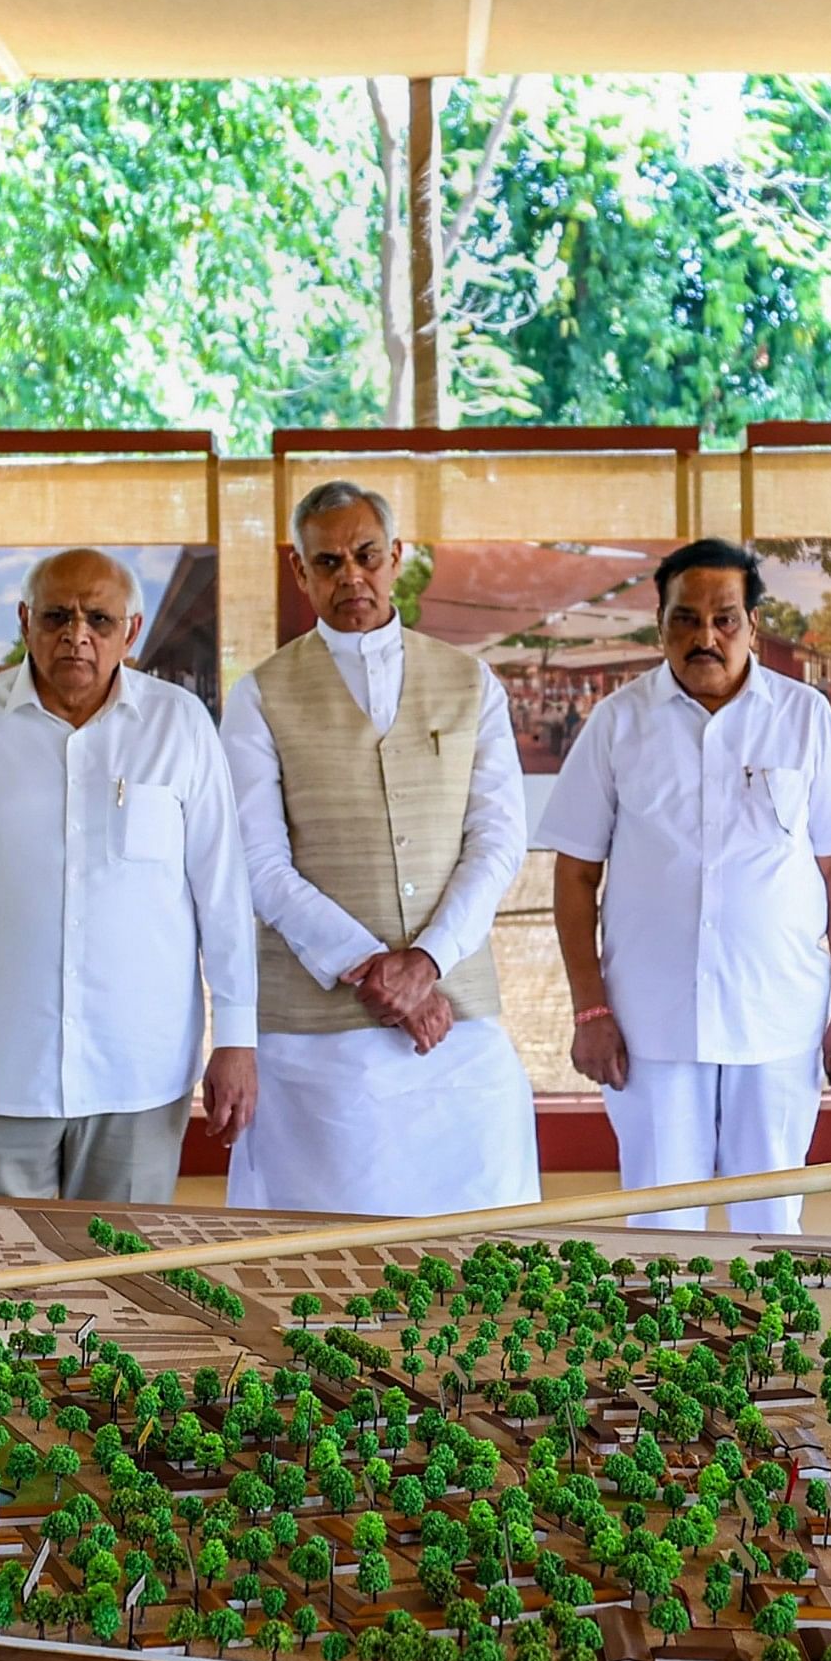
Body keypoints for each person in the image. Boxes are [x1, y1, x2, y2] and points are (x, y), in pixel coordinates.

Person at [0, 549, 256, 1203]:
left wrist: (237, 1038)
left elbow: (222, 892)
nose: (76, 634)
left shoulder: (180, 725)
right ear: (25, 620)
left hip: (138, 1071)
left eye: (98, 619)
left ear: (129, 632)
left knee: (124, 1281)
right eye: (56, 615)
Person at [220, 480, 538, 1215]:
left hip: (455, 1021)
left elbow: (497, 838)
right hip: (316, 1040)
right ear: (300, 573)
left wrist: (425, 965)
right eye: (326, 562)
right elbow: (259, 864)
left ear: (396, 558)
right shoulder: (260, 695)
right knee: (328, 1258)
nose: (349, 576)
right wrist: (373, 972)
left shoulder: (470, 681)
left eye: (365, 555)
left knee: (483, 1240)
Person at [545, 539, 831, 1233]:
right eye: (685, 618)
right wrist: (588, 1011)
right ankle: (665, 1348)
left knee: (771, 1221)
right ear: (659, 624)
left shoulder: (803, 717)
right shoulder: (617, 724)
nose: (705, 636)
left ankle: (771, 1342)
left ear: (753, 626)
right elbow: (575, 874)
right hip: (650, 1026)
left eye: (725, 618)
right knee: (661, 1226)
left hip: (777, 1018)